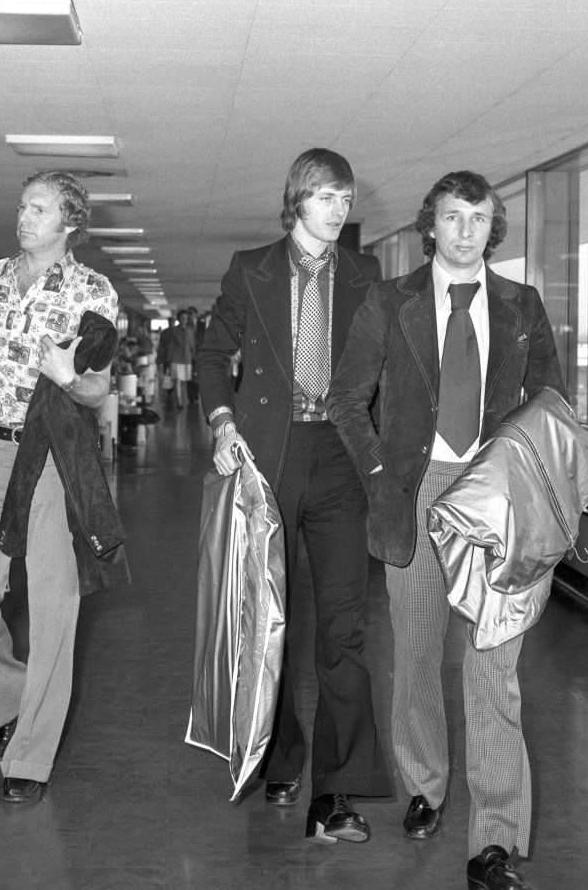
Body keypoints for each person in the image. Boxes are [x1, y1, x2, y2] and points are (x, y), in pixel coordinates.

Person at [326, 171, 566, 890]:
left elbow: (551, 403)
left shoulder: (521, 305)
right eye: (452, 217)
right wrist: (379, 477)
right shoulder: (390, 300)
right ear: (430, 224)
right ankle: (426, 785)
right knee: (420, 652)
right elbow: (345, 399)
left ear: (494, 226)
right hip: (418, 491)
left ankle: (494, 840)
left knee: (495, 667)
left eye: (478, 218)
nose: (465, 230)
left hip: (495, 501)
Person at [198, 148, 390, 843]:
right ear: (298, 200)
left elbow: (386, 370)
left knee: (344, 629)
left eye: (347, 198)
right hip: (269, 458)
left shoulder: (367, 276)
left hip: (340, 462)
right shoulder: (250, 269)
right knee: (269, 618)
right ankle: (277, 754)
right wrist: (222, 423)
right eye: (328, 197)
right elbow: (213, 357)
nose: (341, 210)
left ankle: (334, 795)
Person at [0, 170, 119, 805]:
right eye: (22, 205)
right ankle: (7, 703)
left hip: (54, 460)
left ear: (69, 223)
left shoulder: (95, 292)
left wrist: (69, 376)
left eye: (38, 208)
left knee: (56, 609)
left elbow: (98, 389)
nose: (23, 216)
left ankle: (30, 758)